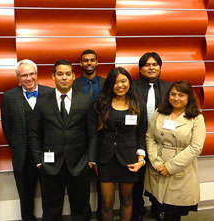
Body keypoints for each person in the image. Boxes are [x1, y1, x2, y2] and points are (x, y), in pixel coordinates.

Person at [29, 59, 98, 221]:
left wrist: (91, 160)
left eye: (68, 74)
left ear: (74, 76)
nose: (64, 78)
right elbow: (34, 133)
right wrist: (39, 161)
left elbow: (93, 133)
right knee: (51, 209)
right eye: (60, 74)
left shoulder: (84, 100)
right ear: (53, 77)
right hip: (50, 165)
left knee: (80, 207)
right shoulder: (43, 100)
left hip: (80, 164)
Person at [144, 81, 206, 221]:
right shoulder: (159, 112)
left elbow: (195, 147)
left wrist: (170, 167)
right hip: (157, 167)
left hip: (179, 170)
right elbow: (150, 137)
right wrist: (156, 162)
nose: (176, 98)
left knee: (173, 212)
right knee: (157, 206)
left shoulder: (196, 118)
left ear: (189, 97)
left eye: (181, 95)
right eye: (173, 94)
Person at [1, 59, 53, 221]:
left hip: (48, 154)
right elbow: (7, 127)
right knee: (25, 197)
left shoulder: (50, 93)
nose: (29, 78)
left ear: (37, 74)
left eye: (31, 74)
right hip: (22, 157)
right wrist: (19, 147)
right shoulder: (9, 97)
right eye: (24, 75)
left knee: (51, 195)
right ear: (18, 78)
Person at [95, 67, 147, 221]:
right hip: (106, 160)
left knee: (126, 200)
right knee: (106, 203)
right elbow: (96, 134)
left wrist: (141, 160)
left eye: (123, 81)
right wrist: (96, 159)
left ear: (129, 82)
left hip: (129, 160)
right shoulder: (102, 104)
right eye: (115, 82)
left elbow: (141, 134)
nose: (120, 85)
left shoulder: (138, 105)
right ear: (110, 84)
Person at [132, 52, 171, 221]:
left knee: (158, 177)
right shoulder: (131, 87)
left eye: (154, 64)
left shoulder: (169, 88)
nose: (151, 68)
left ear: (160, 68)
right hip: (136, 140)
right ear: (141, 69)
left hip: (161, 142)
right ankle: (137, 209)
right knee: (137, 180)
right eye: (147, 65)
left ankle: (157, 208)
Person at [73, 49, 105, 220]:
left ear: (97, 62)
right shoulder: (74, 84)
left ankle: (102, 214)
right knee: (82, 183)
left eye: (92, 60)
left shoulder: (107, 83)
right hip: (81, 139)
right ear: (81, 64)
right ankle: (84, 215)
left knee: (103, 181)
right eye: (85, 60)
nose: (89, 63)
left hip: (103, 138)